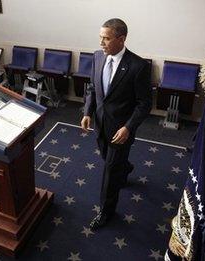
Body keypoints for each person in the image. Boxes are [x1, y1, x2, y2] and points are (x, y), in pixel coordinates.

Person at [80, 18, 152, 230]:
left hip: (121, 130)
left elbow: (144, 103)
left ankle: (106, 211)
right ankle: (126, 167)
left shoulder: (139, 66)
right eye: (100, 37)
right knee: (108, 158)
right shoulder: (97, 57)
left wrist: (129, 127)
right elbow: (93, 88)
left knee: (110, 172)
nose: (101, 42)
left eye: (106, 38)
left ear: (121, 39)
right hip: (101, 124)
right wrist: (87, 112)